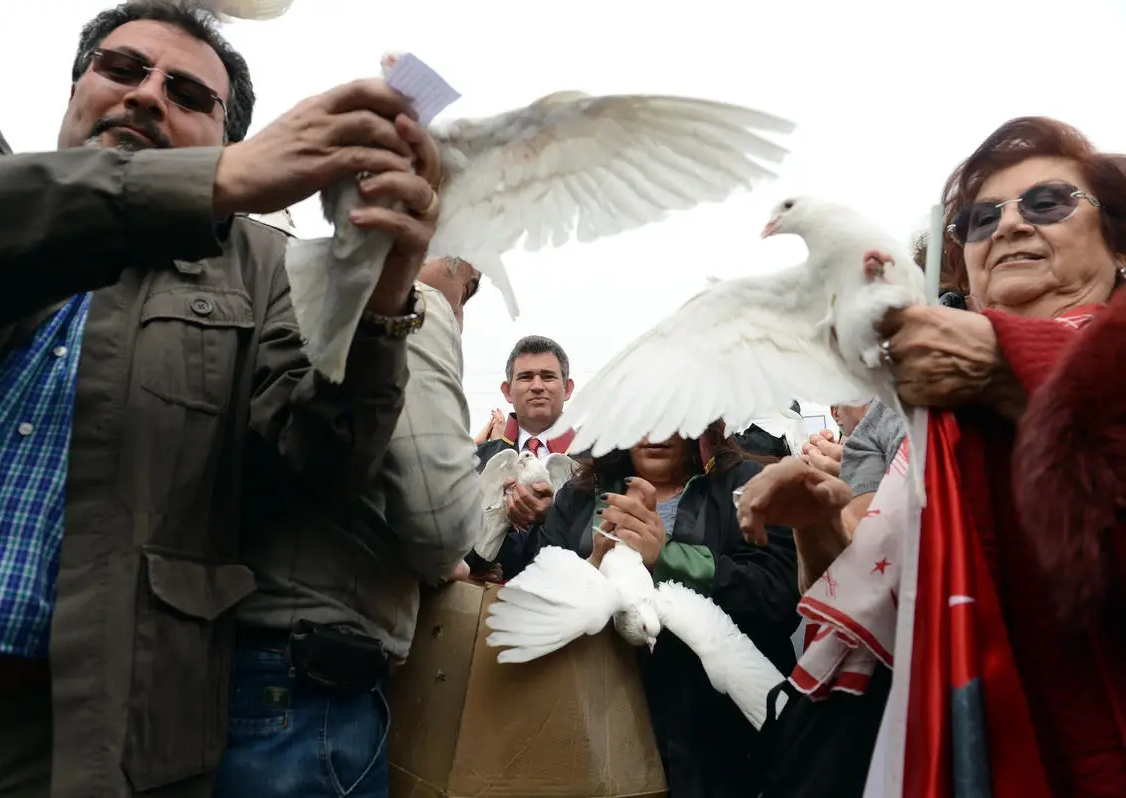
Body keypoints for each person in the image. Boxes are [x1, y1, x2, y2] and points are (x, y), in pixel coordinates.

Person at [0, 2, 441, 796]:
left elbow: (323, 462)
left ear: (231, 137)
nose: (145, 95)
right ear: (76, 89)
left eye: (187, 94)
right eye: (122, 69)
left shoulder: (265, 270)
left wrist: (383, 296)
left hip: (72, 744)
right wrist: (223, 183)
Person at [740, 116, 1126, 797]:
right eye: (980, 219)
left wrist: (1012, 370)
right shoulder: (929, 415)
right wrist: (814, 525)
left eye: (1047, 203)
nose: (1008, 226)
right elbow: (878, 607)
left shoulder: (979, 374)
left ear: (1119, 244)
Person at [218, 257, 482, 798]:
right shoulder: (411, 306)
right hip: (313, 694)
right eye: (470, 285)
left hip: (233, 663)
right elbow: (440, 521)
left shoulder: (278, 275)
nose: (464, 303)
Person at [519, 427, 799, 798]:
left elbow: (778, 594)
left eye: (671, 417)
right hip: (602, 730)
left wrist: (668, 557)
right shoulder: (581, 494)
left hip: (717, 745)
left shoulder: (748, 486)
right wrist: (594, 563)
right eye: (641, 418)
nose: (655, 433)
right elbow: (536, 586)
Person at [467, 335, 575, 578]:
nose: (537, 386)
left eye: (548, 376)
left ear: (567, 388)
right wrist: (466, 568)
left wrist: (553, 516)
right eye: (525, 377)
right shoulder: (474, 460)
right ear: (507, 391)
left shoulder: (595, 462)